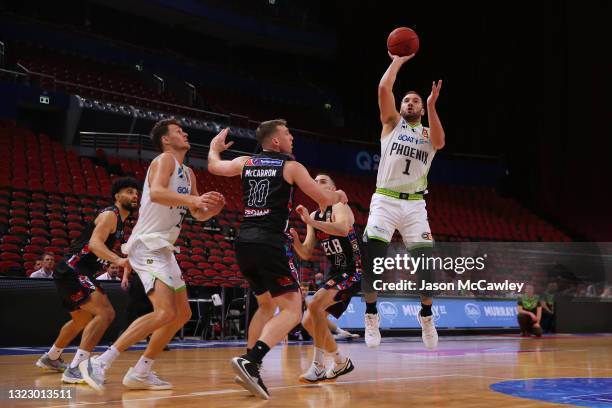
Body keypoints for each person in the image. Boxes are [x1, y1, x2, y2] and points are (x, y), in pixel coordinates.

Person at [207, 119, 348, 399]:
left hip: (244, 241)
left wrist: (213, 148)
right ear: (275, 141)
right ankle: (253, 360)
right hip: (270, 243)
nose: (292, 137)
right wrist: (339, 195)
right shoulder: (290, 167)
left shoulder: (246, 162)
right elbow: (323, 197)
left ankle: (250, 368)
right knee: (293, 311)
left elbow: (214, 166)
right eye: (287, 133)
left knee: (265, 305)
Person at [91, 118, 225, 390]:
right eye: (178, 131)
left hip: (165, 248)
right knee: (164, 312)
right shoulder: (164, 160)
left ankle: (140, 371)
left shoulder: (189, 173)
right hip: (147, 244)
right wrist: (193, 201)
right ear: (165, 139)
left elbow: (197, 214)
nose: (185, 133)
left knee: (182, 314)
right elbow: (159, 193)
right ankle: (100, 362)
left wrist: (211, 209)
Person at [361, 50, 445, 349]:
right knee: (373, 259)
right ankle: (371, 314)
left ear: (421, 108)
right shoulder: (391, 124)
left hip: (415, 205)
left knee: (426, 264)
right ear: (400, 106)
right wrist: (398, 59)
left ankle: (426, 315)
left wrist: (433, 105)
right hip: (385, 199)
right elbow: (384, 88)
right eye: (406, 100)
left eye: (415, 101)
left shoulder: (428, 131)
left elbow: (440, 142)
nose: (410, 103)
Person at [35, 177, 139, 390]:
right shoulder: (110, 214)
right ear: (117, 196)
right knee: (106, 313)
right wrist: (118, 260)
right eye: (129, 191)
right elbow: (94, 243)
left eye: (136, 192)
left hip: (72, 271)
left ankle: (52, 357)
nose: (135, 195)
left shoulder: (121, 221)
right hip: (74, 269)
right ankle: (76, 369)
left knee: (81, 319)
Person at [289, 172, 361, 383]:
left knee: (315, 304)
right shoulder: (314, 215)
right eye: (315, 181)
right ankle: (340, 362)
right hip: (335, 272)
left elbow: (342, 228)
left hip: (353, 269)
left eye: (323, 181)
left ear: (332, 188)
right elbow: (306, 252)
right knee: (308, 321)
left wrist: (311, 221)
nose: (318, 183)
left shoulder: (339, 203)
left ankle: (318, 366)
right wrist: (295, 241)